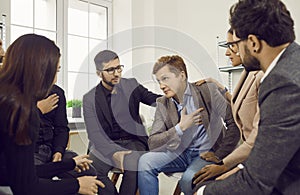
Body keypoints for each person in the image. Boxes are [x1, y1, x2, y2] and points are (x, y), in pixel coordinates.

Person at [194, 0, 300, 194]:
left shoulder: (283, 83)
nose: (232, 51)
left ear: (252, 43)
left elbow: (257, 183)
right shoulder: (292, 64)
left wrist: (203, 193)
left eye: (235, 44)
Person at [0, 34, 104, 195]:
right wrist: (76, 185)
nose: (55, 79)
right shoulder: (22, 112)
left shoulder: (7, 99)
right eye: (54, 71)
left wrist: (68, 163)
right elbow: (26, 186)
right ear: (40, 72)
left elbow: (14, 173)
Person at [138, 55, 240, 195]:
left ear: (182, 75)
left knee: (188, 180)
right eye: (159, 81)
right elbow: (153, 142)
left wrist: (219, 155)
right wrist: (180, 128)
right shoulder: (163, 103)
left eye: (165, 79)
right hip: (178, 153)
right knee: (145, 162)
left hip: (205, 154)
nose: (161, 86)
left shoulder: (207, 91)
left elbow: (234, 124)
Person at [83, 50, 160, 195]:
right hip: (105, 145)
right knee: (89, 169)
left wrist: (180, 93)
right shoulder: (89, 99)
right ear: (99, 73)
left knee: (133, 166)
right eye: (110, 70)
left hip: (133, 142)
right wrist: (114, 153)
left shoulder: (131, 85)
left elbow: (154, 99)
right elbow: (94, 135)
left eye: (118, 68)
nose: (117, 73)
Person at [192, 28, 264, 184]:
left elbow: (257, 137)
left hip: (254, 158)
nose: (227, 53)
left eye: (231, 46)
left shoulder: (261, 76)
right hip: (243, 153)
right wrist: (217, 85)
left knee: (206, 184)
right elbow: (240, 105)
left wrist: (223, 164)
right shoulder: (248, 73)